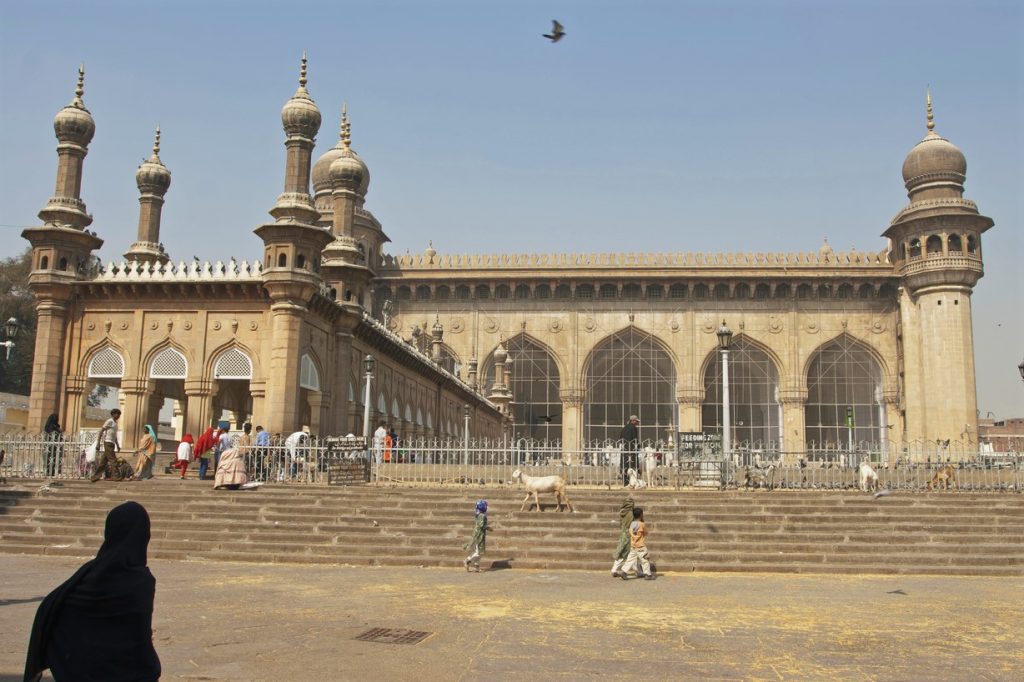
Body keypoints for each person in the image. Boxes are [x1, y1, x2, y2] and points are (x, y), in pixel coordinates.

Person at [24, 501, 161, 682]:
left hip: (82, 671)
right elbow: (138, 641)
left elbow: (52, 607)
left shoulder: (89, 572)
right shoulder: (141, 581)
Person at [620, 507, 654, 580]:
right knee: (645, 560)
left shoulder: (632, 524)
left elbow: (630, 531)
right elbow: (646, 532)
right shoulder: (642, 524)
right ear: (641, 515)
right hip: (641, 546)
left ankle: (624, 571)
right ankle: (648, 574)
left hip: (633, 546)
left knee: (630, 560)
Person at [90, 409, 123, 482]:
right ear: (113, 414)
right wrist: (98, 442)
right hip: (107, 442)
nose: (119, 416)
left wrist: (117, 445)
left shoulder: (115, 423)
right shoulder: (109, 421)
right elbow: (101, 431)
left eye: (119, 414)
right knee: (113, 460)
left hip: (112, 443)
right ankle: (116, 476)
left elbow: (115, 435)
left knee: (103, 462)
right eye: (118, 414)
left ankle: (95, 477)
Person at [610, 496, 635, 577]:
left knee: (623, 552)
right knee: (631, 553)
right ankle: (636, 571)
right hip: (630, 534)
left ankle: (614, 569)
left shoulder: (622, 512)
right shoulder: (631, 514)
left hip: (623, 533)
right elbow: (633, 525)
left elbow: (621, 524)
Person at [462, 499, 490, 573]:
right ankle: (468, 560)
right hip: (479, 536)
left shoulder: (480, 515)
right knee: (478, 552)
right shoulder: (482, 516)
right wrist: (488, 527)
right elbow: (482, 525)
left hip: (480, 535)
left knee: (480, 551)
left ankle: (476, 565)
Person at [619, 415, 640, 486]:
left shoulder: (624, 428)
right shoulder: (633, 428)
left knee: (625, 466)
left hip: (624, 450)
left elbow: (620, 439)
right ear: (632, 421)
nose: (637, 423)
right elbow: (635, 439)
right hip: (631, 450)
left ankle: (625, 482)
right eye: (636, 421)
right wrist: (638, 447)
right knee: (632, 466)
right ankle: (632, 482)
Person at [44, 413, 63, 477]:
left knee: (53, 459)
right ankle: (49, 472)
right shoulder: (50, 427)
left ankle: (51, 472)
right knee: (50, 458)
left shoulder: (55, 426)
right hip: (50, 446)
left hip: (54, 447)